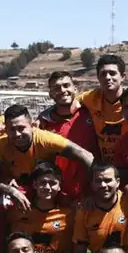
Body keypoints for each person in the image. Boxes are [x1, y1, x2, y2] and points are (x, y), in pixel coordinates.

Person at [0, 103, 94, 209]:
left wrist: (93, 190)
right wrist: (11, 191)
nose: (17, 134)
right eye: (12, 129)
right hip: (19, 190)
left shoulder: (46, 139)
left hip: (47, 188)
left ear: (32, 125)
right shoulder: (0, 145)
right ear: (6, 129)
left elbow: (85, 155)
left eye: (21, 128)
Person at [37, 71, 101, 201]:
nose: (62, 90)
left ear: (75, 88)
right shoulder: (44, 123)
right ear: (50, 94)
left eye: (66, 85)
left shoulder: (91, 112)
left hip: (94, 191)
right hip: (61, 194)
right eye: (56, 88)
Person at [8, 161, 75, 253]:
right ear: (35, 185)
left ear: (59, 186)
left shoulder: (69, 215)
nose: (47, 187)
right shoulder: (19, 211)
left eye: (52, 183)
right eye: (43, 183)